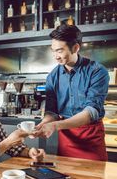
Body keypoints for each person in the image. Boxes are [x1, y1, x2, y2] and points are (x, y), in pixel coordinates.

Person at [34, 24, 110, 161]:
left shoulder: (97, 71)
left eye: (59, 51)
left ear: (75, 48)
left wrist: (55, 125)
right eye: (53, 51)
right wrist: (43, 124)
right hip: (67, 138)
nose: (55, 56)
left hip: (91, 139)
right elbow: (52, 112)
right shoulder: (52, 76)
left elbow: (91, 112)